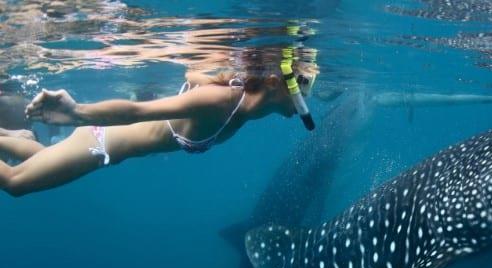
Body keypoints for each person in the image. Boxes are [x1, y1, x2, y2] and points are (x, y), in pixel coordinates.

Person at [0, 49, 318, 197]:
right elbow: (138, 112)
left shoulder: (243, 105)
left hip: (106, 148)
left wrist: (203, 74)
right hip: (98, 143)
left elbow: (191, 74)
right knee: (15, 182)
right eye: (304, 85)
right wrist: (78, 111)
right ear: (276, 82)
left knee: (37, 156)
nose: (306, 97)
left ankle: (10, 135)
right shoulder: (221, 103)